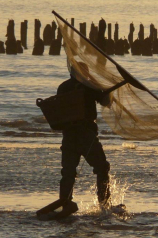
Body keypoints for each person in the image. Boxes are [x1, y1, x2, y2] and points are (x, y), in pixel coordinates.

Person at [56, 62, 111, 215]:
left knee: (68, 171)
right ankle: (104, 205)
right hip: (86, 135)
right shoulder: (89, 86)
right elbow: (106, 102)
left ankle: (65, 203)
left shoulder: (63, 87)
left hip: (68, 135)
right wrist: (104, 91)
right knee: (102, 168)